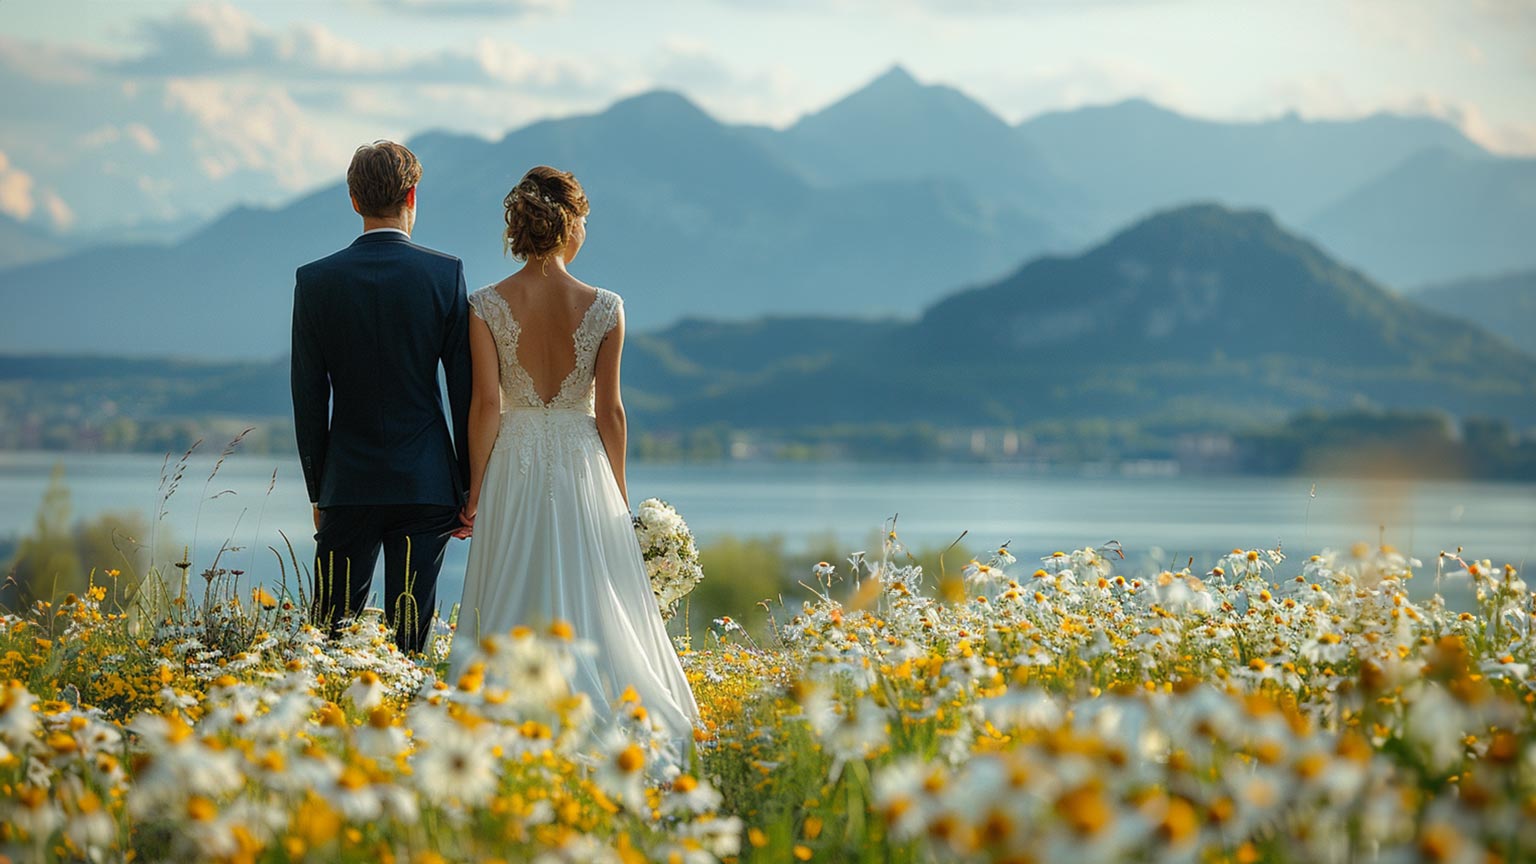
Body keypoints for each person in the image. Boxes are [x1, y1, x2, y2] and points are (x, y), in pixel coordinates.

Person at [447, 165, 700, 741]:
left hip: (513, 457)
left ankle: (504, 713)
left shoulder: (485, 304)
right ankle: (599, 710)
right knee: (594, 586)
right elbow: (609, 412)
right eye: (584, 219)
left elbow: (486, 404)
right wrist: (619, 490)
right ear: (569, 225)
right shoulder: (606, 306)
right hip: (582, 457)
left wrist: (475, 489)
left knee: (514, 576)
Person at [291, 140, 472, 655]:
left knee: (326, 639)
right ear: (413, 195)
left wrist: (317, 490)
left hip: (347, 482)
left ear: (352, 200)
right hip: (428, 482)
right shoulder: (446, 275)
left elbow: (308, 395)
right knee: (410, 641)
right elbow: (464, 390)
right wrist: (466, 484)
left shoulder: (315, 280)